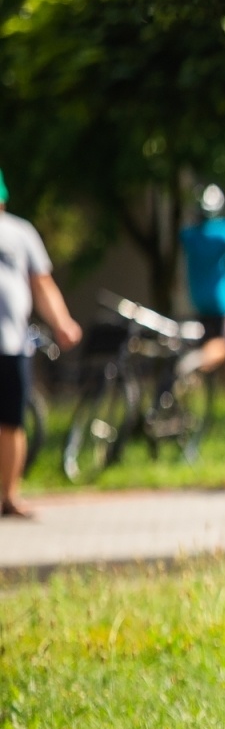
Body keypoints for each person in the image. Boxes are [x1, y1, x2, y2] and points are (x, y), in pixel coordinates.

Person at [0, 168, 82, 518]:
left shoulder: (20, 232)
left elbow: (42, 283)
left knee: (12, 422)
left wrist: (62, 322)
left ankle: (9, 496)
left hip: (11, 343)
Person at [177, 184, 225, 376]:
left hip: (199, 301)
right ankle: (195, 361)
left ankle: (201, 365)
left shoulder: (190, 235)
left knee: (212, 348)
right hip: (224, 302)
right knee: (224, 345)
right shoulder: (223, 230)